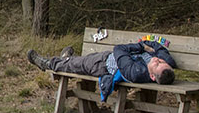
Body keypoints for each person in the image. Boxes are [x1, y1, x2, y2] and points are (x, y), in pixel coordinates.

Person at [27, 39, 176, 100]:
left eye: (157, 64)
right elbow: (160, 49)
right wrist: (147, 43)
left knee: (77, 64)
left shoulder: (135, 72)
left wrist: (139, 47)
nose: (156, 59)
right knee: (75, 63)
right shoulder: (166, 64)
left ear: (151, 76)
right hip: (106, 57)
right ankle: (65, 59)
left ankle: (47, 63)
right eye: (160, 61)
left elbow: (119, 49)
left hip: (101, 65)